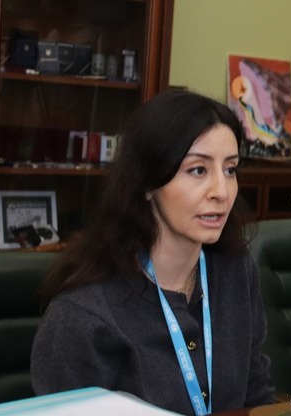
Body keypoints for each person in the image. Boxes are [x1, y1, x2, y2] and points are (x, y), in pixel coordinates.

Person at [31, 90, 274, 415]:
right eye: (198, 170)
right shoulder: (83, 313)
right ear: (147, 183)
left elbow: (257, 396)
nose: (222, 191)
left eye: (230, 169)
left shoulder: (236, 271)